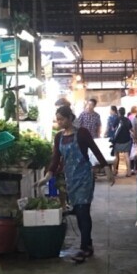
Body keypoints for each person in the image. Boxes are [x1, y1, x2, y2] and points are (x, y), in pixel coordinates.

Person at [38, 105, 113, 262]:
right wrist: (47, 176)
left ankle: (84, 248)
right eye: (57, 119)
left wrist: (107, 169)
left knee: (83, 211)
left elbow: (95, 150)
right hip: (70, 179)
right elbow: (55, 158)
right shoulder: (59, 137)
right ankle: (88, 245)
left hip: (84, 177)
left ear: (69, 118)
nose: (59, 122)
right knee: (79, 212)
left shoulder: (82, 133)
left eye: (61, 119)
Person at [111, 107, 135, 177]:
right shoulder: (127, 120)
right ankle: (129, 172)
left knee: (116, 156)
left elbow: (113, 129)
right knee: (127, 156)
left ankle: (114, 171)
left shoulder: (117, 119)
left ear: (119, 112)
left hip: (118, 141)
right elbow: (132, 130)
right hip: (126, 140)